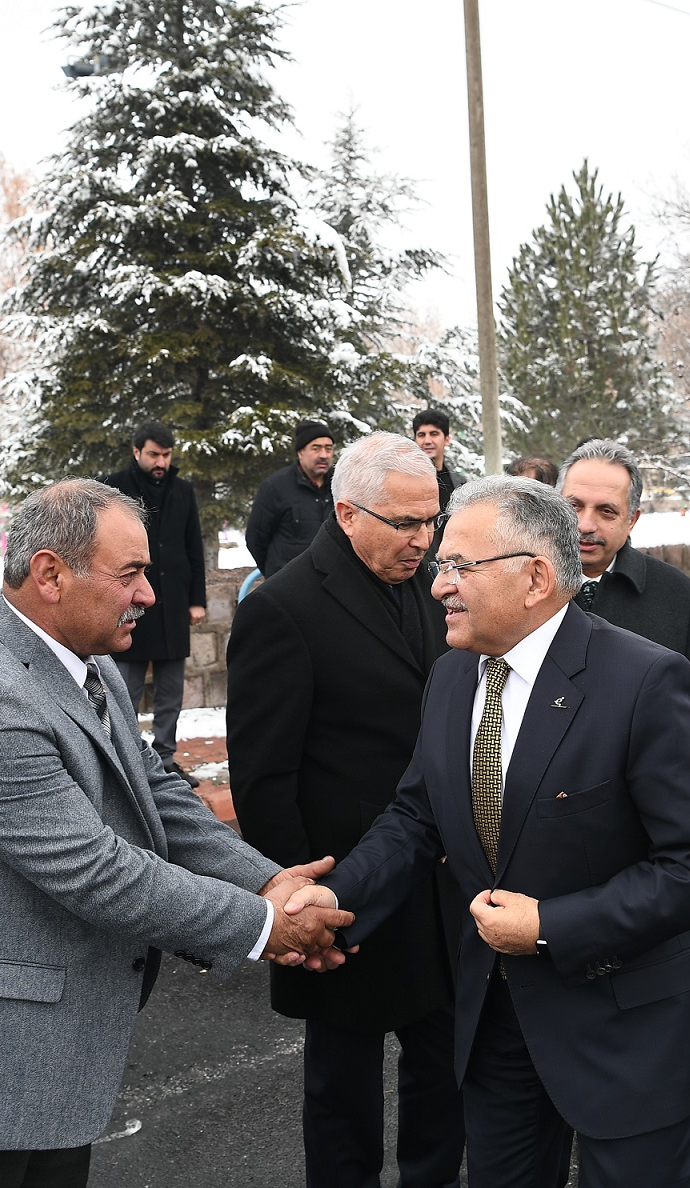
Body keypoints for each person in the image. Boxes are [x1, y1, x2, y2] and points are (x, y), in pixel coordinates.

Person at [0, 478, 351, 1186]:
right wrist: (266, 925)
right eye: (129, 574)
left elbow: (153, 790)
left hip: (37, 1074)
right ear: (49, 573)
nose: (149, 596)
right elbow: (96, 870)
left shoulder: (87, 660)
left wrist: (266, 879)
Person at [307, 476, 690, 1188]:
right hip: (498, 1022)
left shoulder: (646, 682)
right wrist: (336, 903)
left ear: (534, 576)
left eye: (457, 566)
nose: (437, 584)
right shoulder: (451, 677)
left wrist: (549, 925)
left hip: (632, 1027)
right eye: (440, 565)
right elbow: (416, 816)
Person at [228, 433, 464, 1188]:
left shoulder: (432, 592)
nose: (421, 540)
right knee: (343, 1088)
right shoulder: (281, 609)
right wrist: (300, 904)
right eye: (403, 523)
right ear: (346, 513)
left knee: (444, 1067)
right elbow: (264, 780)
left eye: (431, 521)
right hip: (342, 891)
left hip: (437, 885)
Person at [559, 439, 690, 739]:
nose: (585, 524)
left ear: (631, 520)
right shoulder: (520, 586)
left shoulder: (677, 596)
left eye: (606, 511)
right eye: (574, 506)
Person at [103, 422, 207, 787]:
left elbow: (194, 546)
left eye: (166, 454)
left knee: (170, 690)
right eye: (153, 454)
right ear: (137, 452)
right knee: (124, 688)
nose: (161, 461)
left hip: (175, 604)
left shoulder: (182, 490)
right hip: (130, 601)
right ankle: (128, 758)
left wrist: (197, 600)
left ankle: (165, 758)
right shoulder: (115, 488)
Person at [246, 419, 337, 577]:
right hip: (288, 586)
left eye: (328, 449)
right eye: (315, 449)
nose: (323, 455)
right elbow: (256, 539)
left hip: (333, 582)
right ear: (300, 452)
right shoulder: (275, 487)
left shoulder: (340, 485)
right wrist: (275, 574)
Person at [413, 409, 469, 510]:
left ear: (447, 440)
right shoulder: (406, 481)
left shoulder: (460, 484)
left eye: (434, 434)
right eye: (421, 435)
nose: (427, 441)